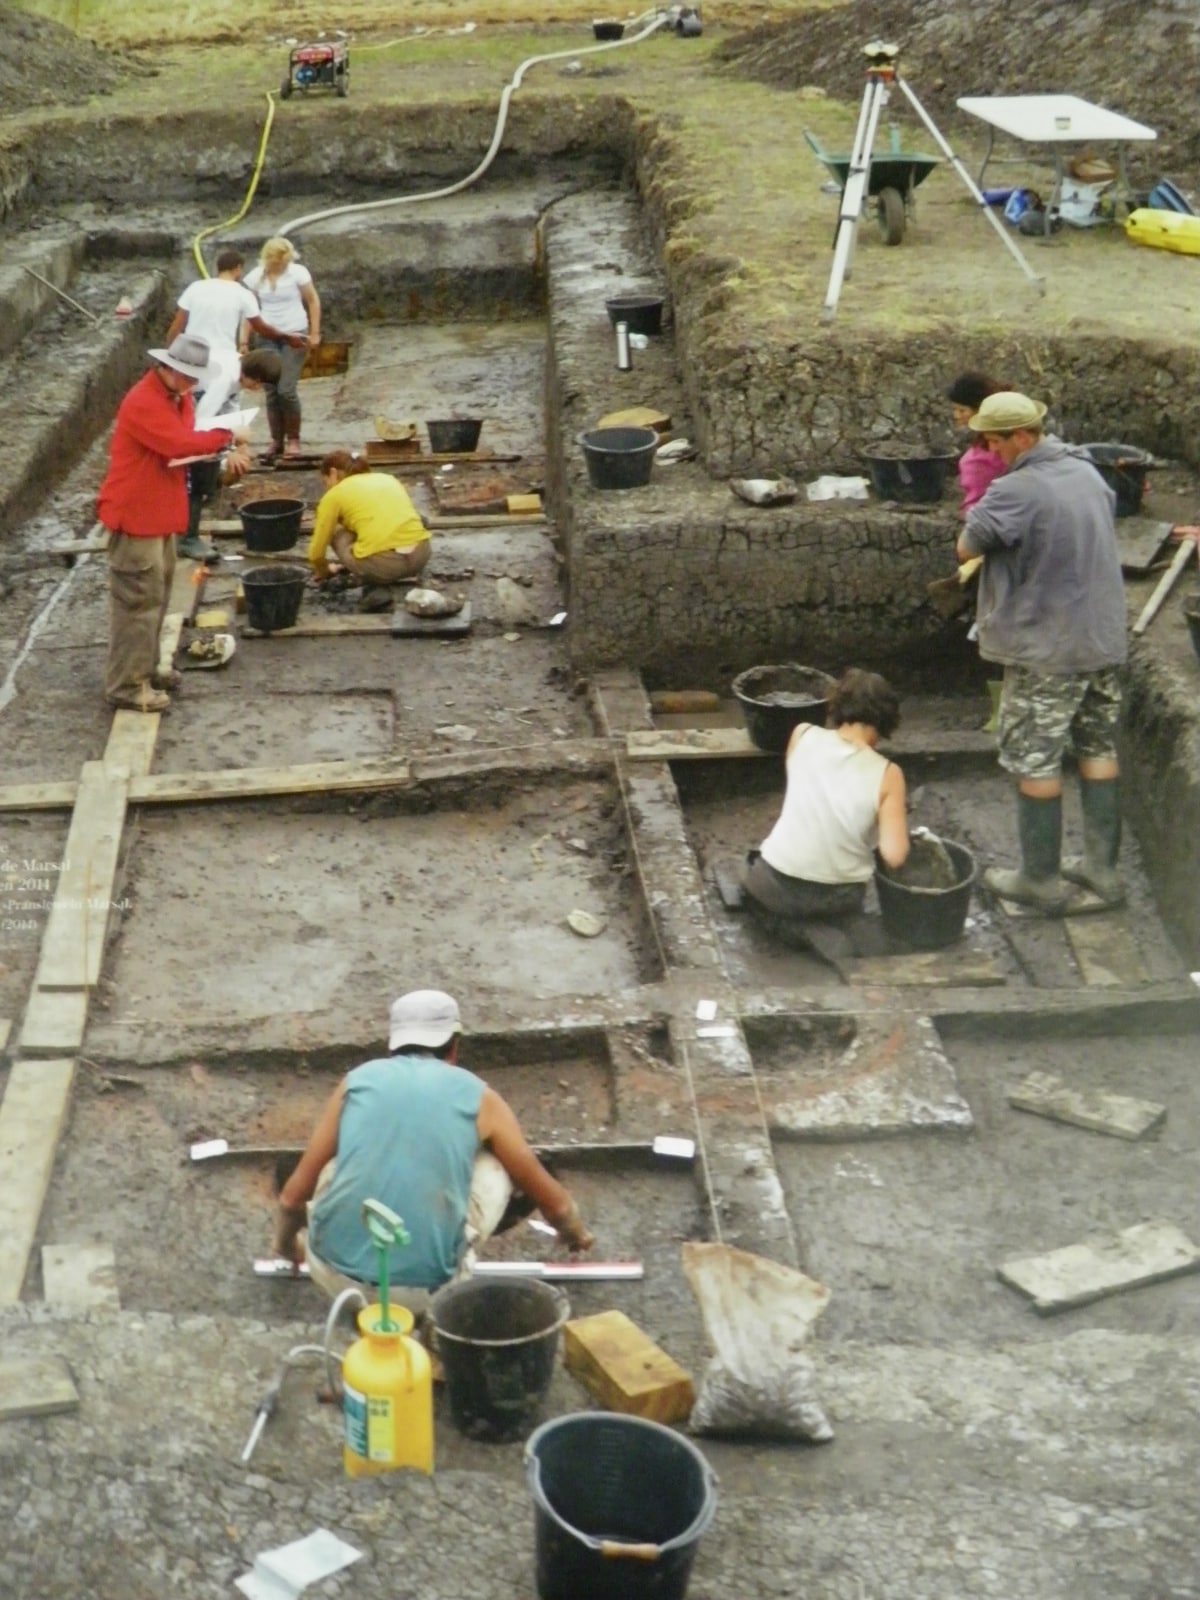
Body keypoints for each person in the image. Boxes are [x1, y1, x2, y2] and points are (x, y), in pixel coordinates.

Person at [273, 990, 595, 1309]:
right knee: (496, 1167)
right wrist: (575, 1235)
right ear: (454, 1046)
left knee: (335, 1164)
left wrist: (288, 1248)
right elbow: (555, 1206)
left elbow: (291, 1200)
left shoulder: (356, 1082)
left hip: (332, 1276)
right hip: (427, 1293)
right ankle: (432, 1294)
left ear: (392, 1045)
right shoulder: (479, 1097)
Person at [956, 391, 1127, 912]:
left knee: (1034, 756)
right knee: (1097, 748)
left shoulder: (1017, 489)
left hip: (1048, 647)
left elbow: (967, 545)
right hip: (1101, 641)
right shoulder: (1086, 470)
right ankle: (1101, 870)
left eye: (994, 440)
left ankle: (1039, 879)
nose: (989, 449)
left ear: (1022, 436)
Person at [97, 333, 249, 713]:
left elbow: (183, 440)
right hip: (136, 516)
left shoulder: (175, 397)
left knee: (156, 597)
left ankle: (145, 670)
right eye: (190, 376)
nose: (194, 384)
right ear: (171, 369)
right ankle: (127, 686)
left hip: (157, 514)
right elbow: (179, 444)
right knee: (138, 605)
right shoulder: (144, 402)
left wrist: (215, 441)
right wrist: (226, 435)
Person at [741, 668, 909, 930]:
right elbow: (894, 856)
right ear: (887, 720)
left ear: (837, 706)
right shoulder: (889, 774)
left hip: (770, 885)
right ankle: (816, 931)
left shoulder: (802, 734)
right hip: (834, 899)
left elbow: (803, 786)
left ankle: (791, 927)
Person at [181, 347, 282, 563]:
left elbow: (231, 407)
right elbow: (200, 423)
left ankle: (190, 529)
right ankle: (187, 538)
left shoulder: (238, 370)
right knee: (198, 475)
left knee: (208, 469)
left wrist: (240, 444)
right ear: (253, 375)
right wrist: (228, 446)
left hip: (199, 403)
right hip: (189, 405)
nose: (257, 389)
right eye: (258, 383)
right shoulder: (224, 379)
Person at [308, 450, 432, 611]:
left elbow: (316, 554)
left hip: (383, 567)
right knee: (413, 519)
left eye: (325, 482)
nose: (326, 488)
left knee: (336, 532)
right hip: (421, 556)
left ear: (333, 473)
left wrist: (323, 572)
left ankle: (374, 585)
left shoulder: (333, 496)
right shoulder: (388, 479)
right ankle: (382, 573)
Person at [243, 236, 321, 461]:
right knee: (271, 390)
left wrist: (314, 332)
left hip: (295, 335)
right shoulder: (255, 277)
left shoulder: (298, 273)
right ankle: (276, 439)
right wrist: (244, 340)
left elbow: (312, 300)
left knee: (286, 389)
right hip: (267, 336)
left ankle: (293, 438)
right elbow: (250, 312)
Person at [947, 370, 1007, 514]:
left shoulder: (989, 453)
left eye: (962, 410)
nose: (956, 415)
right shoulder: (983, 442)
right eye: (954, 409)